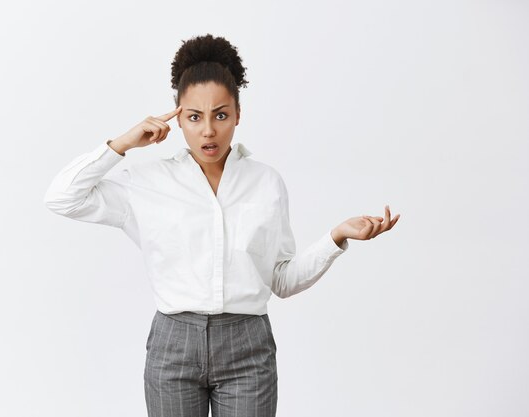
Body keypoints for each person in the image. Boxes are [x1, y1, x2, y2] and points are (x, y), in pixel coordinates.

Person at [44, 33, 399, 417]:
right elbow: (62, 197)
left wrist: (337, 237)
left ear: (238, 114)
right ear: (177, 116)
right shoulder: (147, 184)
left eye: (221, 114)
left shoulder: (266, 183)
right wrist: (122, 144)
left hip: (248, 347)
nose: (208, 130)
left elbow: (282, 280)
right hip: (173, 348)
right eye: (194, 117)